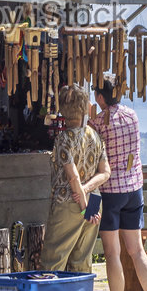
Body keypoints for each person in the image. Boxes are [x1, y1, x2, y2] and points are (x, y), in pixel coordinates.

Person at [91, 72, 147, 291]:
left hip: (110, 192)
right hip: (134, 188)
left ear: (100, 96)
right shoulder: (132, 115)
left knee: (113, 253)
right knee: (137, 251)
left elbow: (93, 153)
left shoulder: (97, 122)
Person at [43, 85, 110, 273]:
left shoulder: (64, 138)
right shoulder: (94, 135)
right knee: (82, 261)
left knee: (53, 260)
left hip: (70, 202)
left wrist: (83, 207)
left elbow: (72, 178)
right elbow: (105, 172)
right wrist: (88, 193)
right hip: (94, 202)